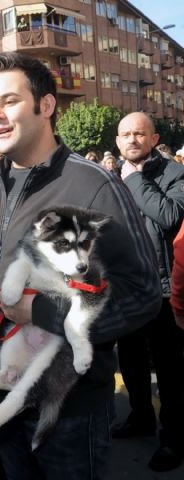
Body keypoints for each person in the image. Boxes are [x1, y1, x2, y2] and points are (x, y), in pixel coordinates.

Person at [0, 52, 161, 480]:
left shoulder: (94, 184)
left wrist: (46, 313)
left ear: (45, 107)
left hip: (69, 410)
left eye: (9, 101)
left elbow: (142, 295)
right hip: (1, 399)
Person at [112, 111, 184, 472]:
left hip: (164, 290)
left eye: (140, 134)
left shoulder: (175, 173)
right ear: (117, 141)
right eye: (125, 134)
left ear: (154, 139)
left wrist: (136, 182)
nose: (132, 140)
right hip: (127, 289)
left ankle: (173, 439)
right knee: (132, 360)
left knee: (170, 370)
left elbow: (169, 216)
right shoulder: (112, 178)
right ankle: (140, 416)